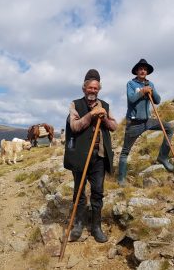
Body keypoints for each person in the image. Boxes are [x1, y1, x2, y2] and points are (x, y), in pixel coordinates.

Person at [63, 69, 117, 242]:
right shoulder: (75, 104)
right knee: (79, 192)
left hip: (99, 157)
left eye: (96, 88)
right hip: (80, 156)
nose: (93, 91)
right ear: (84, 88)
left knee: (98, 192)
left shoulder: (105, 106)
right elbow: (75, 126)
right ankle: (78, 224)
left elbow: (114, 126)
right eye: (90, 88)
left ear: (98, 89)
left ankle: (96, 226)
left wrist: (104, 118)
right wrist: (91, 115)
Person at [118, 59, 174, 187]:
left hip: (147, 121)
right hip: (134, 123)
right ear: (137, 71)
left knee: (169, 127)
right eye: (140, 69)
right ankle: (121, 179)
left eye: (145, 69)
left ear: (147, 72)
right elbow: (131, 99)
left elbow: (158, 100)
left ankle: (163, 157)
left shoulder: (151, 84)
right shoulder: (131, 84)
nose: (143, 71)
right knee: (125, 151)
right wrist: (143, 91)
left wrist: (151, 90)